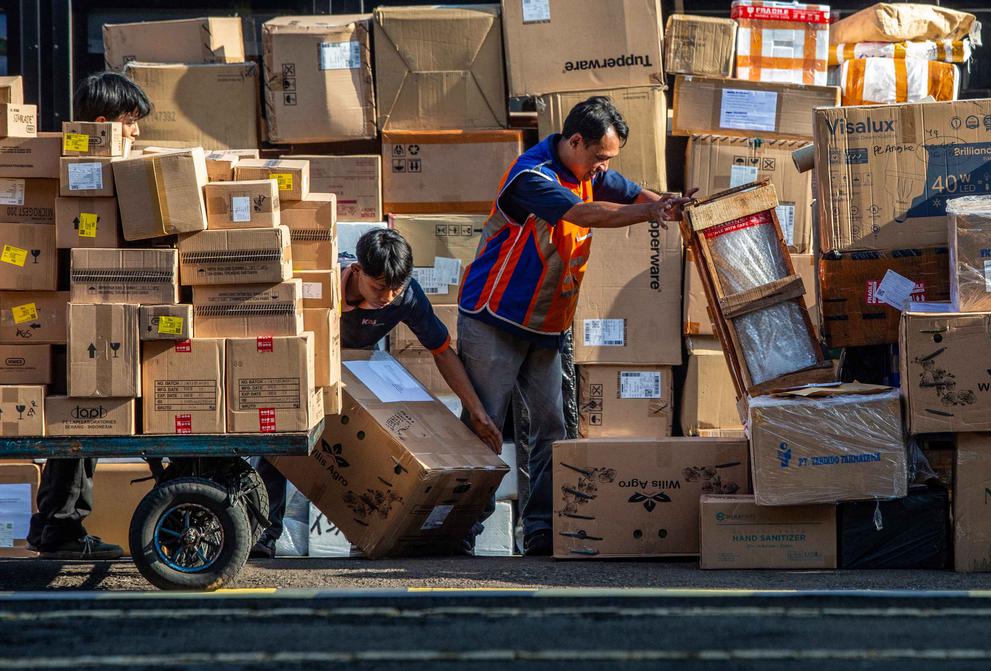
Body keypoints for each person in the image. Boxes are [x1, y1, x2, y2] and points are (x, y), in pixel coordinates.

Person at [456, 97, 695, 556]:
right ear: (575, 141)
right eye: (599, 156)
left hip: (547, 323)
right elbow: (583, 215)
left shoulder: (592, 171)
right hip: (495, 317)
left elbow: (635, 194)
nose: (603, 167)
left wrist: (671, 205)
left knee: (551, 428)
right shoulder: (532, 176)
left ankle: (542, 528)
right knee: (482, 428)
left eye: (609, 160)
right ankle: (461, 528)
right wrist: (652, 215)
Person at [251, 228, 502, 557]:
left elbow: (441, 350)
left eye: (395, 287)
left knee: (369, 454)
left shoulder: (407, 296)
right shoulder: (322, 285)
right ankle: (263, 537)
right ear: (357, 270)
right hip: (304, 365)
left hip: (356, 371)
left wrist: (478, 412)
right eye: (379, 286)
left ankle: (367, 535)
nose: (387, 296)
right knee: (281, 446)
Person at [27, 72, 151, 560]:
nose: (137, 133)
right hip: (69, 323)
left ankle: (55, 527)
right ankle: (61, 528)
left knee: (79, 430)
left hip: (78, 320)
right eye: (131, 122)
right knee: (79, 426)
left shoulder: (97, 170)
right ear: (102, 124)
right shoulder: (84, 173)